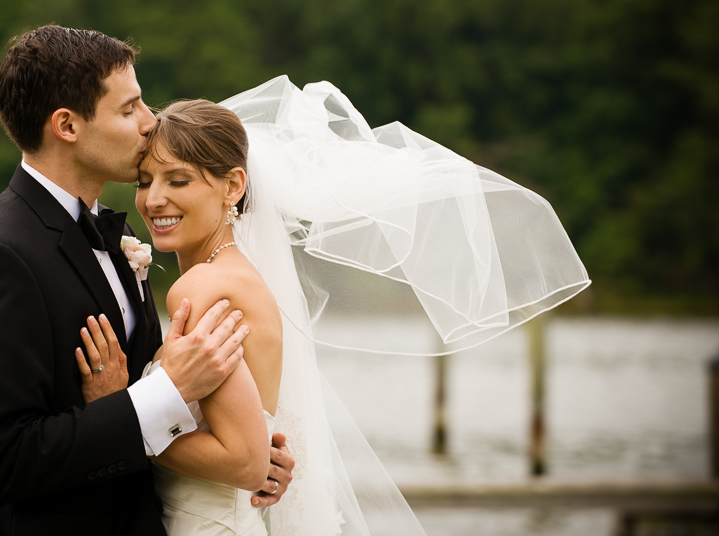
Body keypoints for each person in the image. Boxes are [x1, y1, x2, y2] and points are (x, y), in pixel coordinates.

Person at [109, 74, 590, 535]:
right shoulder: (243, 277)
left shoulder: (204, 288)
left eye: (177, 181)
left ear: (232, 186)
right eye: (144, 181)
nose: (153, 200)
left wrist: (118, 417)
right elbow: (250, 442)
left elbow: (244, 462)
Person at [0, 26, 294, 536]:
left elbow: (172, 407)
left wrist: (251, 450)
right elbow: (10, 462)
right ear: (67, 125)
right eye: (130, 109)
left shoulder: (119, 236)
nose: (151, 124)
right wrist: (147, 400)